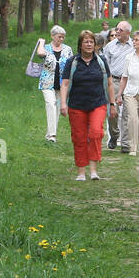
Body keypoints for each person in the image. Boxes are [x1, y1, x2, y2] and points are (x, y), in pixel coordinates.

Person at [59, 30, 114, 181]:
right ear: (80, 45)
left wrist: (112, 103)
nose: (89, 44)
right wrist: (63, 103)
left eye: (91, 42)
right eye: (86, 42)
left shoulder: (101, 61)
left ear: (95, 45)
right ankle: (81, 172)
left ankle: (94, 170)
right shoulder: (73, 62)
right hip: (76, 105)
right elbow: (65, 84)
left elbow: (109, 84)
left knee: (96, 133)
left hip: (98, 103)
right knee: (79, 137)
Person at [35, 26, 72, 143]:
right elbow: (40, 53)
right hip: (47, 82)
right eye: (59, 36)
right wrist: (41, 42)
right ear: (52, 36)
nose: (61, 39)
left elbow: (71, 64)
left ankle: (50, 135)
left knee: (56, 108)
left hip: (62, 84)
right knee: (50, 104)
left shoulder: (67, 49)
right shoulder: (45, 48)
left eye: (63, 37)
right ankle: (52, 135)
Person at [102, 22, 134, 152]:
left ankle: (125, 143)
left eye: (121, 30)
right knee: (112, 112)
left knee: (127, 113)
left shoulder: (135, 46)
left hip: (130, 82)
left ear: (128, 33)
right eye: (117, 29)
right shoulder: (109, 46)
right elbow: (105, 67)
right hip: (114, 81)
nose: (117, 32)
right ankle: (114, 135)